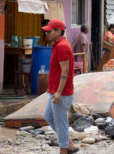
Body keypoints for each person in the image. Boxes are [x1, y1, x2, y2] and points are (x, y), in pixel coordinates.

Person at [42, 19, 79, 154]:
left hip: (62, 93)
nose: (47, 34)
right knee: (49, 117)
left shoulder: (62, 46)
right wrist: (51, 87)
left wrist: (58, 92)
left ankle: (63, 150)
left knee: (61, 123)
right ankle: (69, 143)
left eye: (50, 31)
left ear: (58, 32)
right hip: (55, 90)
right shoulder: (57, 45)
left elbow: (65, 71)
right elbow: (57, 71)